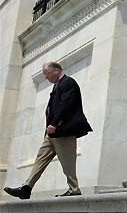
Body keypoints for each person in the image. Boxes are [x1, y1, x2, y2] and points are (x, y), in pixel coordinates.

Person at [3, 62, 92, 199]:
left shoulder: (68, 82)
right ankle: (26, 188)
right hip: (52, 134)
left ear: (56, 70)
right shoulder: (58, 85)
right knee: (40, 159)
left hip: (63, 131)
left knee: (67, 162)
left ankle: (74, 190)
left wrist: (55, 123)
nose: (46, 77)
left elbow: (66, 105)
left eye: (47, 73)